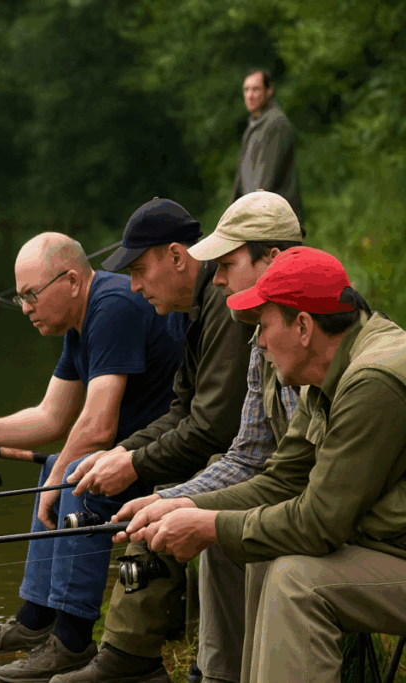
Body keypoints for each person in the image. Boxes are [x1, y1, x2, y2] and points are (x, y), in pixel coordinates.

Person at [126, 247, 406, 683]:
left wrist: (209, 526)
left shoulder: (371, 383)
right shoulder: (325, 373)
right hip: (390, 547)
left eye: (264, 325)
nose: (257, 342)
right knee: (266, 554)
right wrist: (182, 505)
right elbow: (281, 480)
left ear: (304, 327)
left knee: (297, 582)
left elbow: (318, 523)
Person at [0, 231, 185, 682]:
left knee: (73, 474)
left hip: (170, 458)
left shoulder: (112, 307)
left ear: (72, 281)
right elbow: (51, 417)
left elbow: (97, 427)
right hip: (134, 452)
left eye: (31, 294)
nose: (25, 308)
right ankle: (37, 618)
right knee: (63, 465)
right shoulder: (81, 323)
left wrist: (58, 480)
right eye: (20, 297)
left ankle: (72, 640)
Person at [51, 198, 256, 683]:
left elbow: (212, 426)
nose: (134, 285)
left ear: (177, 257)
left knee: (164, 495)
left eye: (140, 270)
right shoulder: (188, 308)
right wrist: (121, 452)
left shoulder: (222, 306)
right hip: (231, 454)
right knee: (147, 487)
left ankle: (135, 658)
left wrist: (134, 464)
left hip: (248, 463)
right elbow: (181, 411)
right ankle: (127, 652)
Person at [107, 190, 303, 683]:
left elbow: (221, 432)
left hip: (332, 516)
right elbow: (249, 453)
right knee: (206, 512)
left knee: (221, 525)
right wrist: (169, 499)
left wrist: (179, 498)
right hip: (293, 493)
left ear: (272, 258)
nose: (215, 278)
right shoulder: (259, 335)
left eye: (226, 264)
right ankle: (214, 673)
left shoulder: (299, 332)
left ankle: (160, 662)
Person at [231, 68, 303, 227]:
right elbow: (243, 179)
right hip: (258, 219)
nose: (249, 95)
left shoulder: (275, 124)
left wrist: (247, 219)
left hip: (273, 222)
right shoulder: (255, 125)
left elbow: (265, 181)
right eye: (246, 90)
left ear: (269, 90)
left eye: (255, 89)